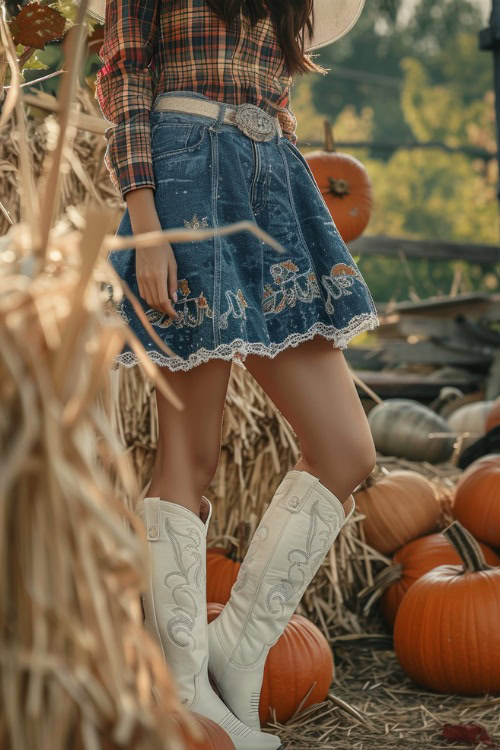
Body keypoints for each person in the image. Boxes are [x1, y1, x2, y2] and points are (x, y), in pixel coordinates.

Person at [91, 1, 379, 747]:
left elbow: (274, 102)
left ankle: (238, 646)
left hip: (274, 184)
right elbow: (124, 79)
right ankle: (184, 692)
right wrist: (147, 226)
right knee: (192, 452)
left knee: (348, 451)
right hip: (186, 180)